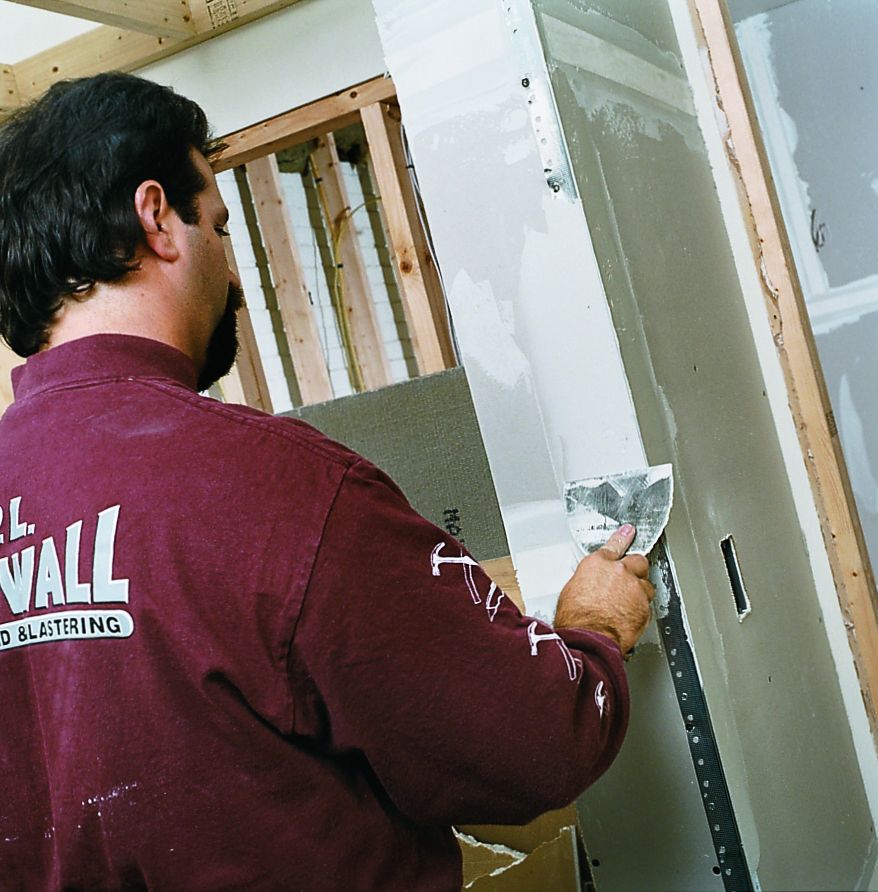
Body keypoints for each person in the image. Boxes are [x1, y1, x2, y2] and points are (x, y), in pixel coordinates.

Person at [0, 73, 654, 890]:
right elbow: (536, 742)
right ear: (157, 218)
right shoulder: (276, 488)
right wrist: (592, 627)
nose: (234, 276)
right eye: (221, 226)